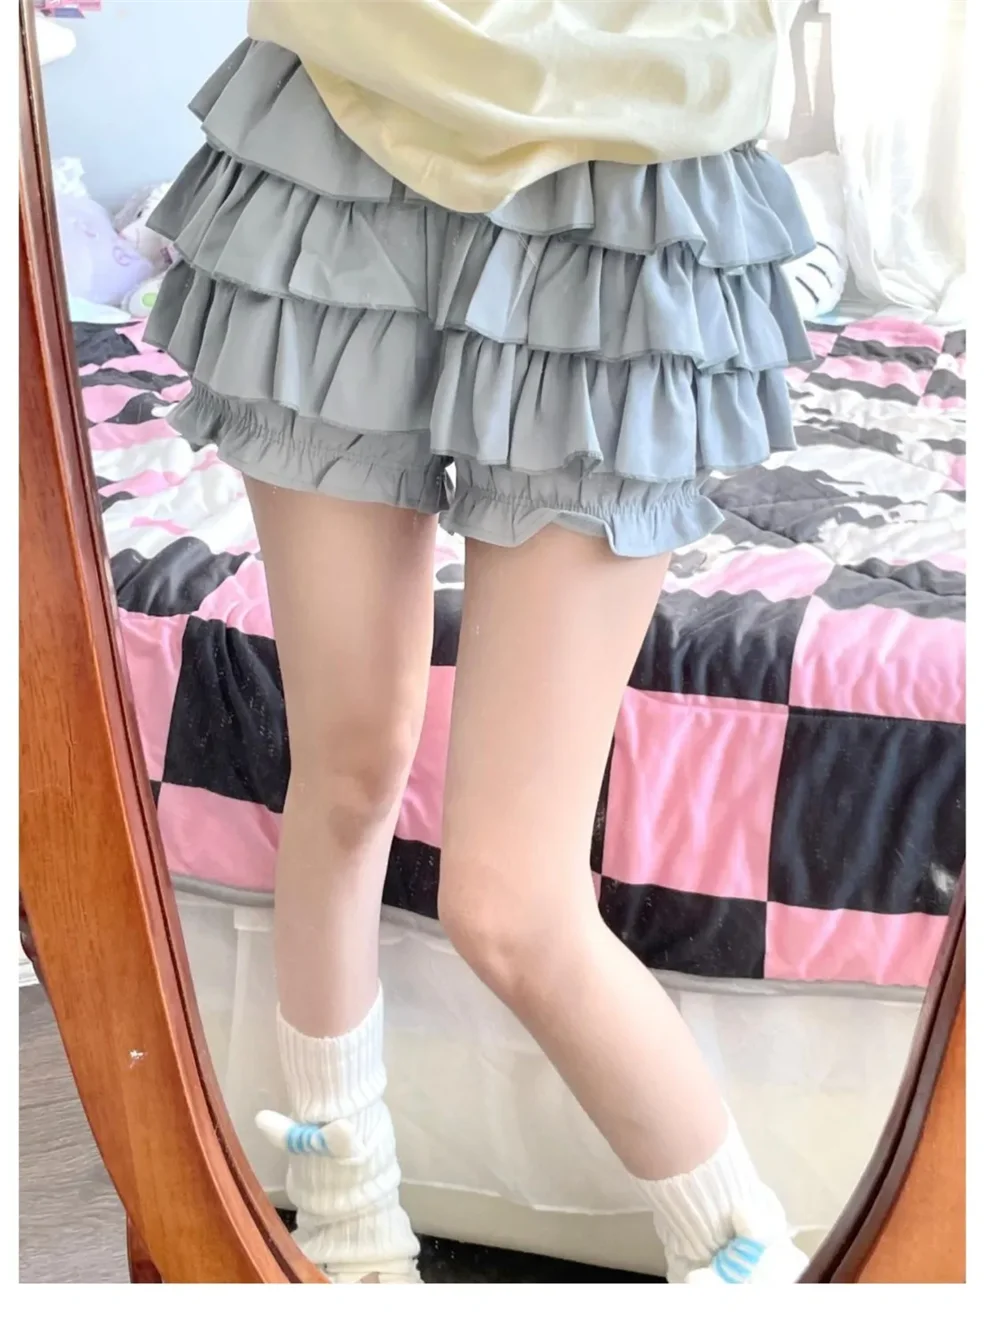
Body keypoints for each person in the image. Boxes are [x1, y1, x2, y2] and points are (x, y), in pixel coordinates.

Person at [146, 0, 813, 1284]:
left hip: (627, 178)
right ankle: (347, 1230)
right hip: (336, 123)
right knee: (346, 770)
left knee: (511, 902)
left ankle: (745, 1263)